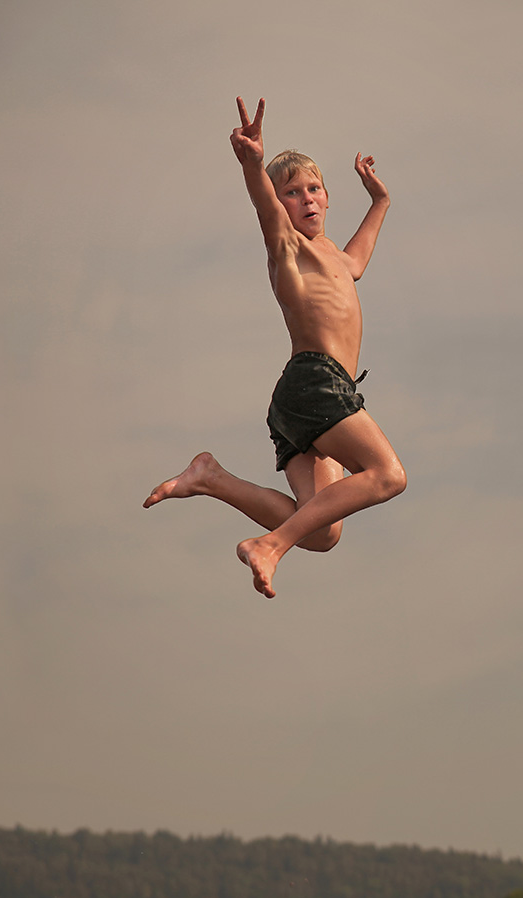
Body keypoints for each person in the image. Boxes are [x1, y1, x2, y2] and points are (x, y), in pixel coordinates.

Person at [144, 98, 406, 599]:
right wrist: (252, 164)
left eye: (314, 189)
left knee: (325, 532)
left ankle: (212, 477)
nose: (306, 199)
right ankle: (271, 545)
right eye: (292, 193)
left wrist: (380, 202)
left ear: (328, 197)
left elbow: (358, 261)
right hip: (315, 381)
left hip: (303, 397)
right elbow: (264, 206)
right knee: (388, 475)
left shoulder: (336, 258)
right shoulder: (287, 247)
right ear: (281, 205)